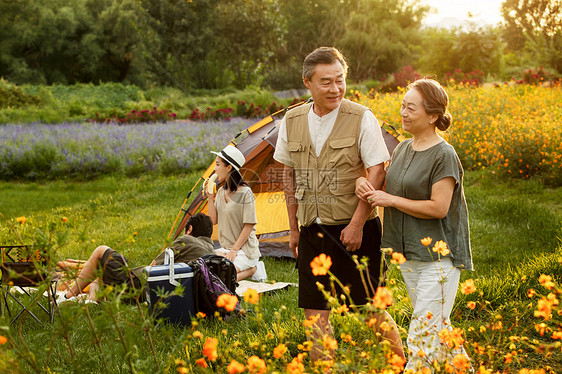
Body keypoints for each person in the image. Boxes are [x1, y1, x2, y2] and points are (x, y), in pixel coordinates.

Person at [273, 46, 405, 362]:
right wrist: (293, 228)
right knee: (314, 315)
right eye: (326, 82)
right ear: (307, 82)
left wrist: (358, 223)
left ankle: (400, 366)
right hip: (311, 232)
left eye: (340, 80)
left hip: (356, 229)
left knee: (371, 310)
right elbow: (287, 175)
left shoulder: (361, 117)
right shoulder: (291, 120)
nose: (335, 89)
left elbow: (377, 171)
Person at [356, 78, 473, 370]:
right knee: (438, 327)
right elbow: (384, 183)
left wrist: (390, 200)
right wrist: (363, 181)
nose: (403, 113)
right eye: (402, 106)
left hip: (439, 256)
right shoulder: (403, 149)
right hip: (409, 252)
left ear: (433, 115)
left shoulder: (443, 154)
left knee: (422, 332)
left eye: (411, 108)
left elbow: (438, 207)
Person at [56, 213, 215, 303]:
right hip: (163, 294)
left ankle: (66, 297)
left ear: (190, 229)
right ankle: (92, 302)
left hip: (141, 287)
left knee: (100, 251)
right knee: (100, 277)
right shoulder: (212, 254)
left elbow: (153, 266)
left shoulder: (187, 240)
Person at [206, 145, 264, 282]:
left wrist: (234, 251)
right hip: (225, 249)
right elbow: (212, 221)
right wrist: (210, 197)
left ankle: (253, 268)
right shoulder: (220, 192)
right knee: (205, 268)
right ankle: (247, 269)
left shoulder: (245, 193)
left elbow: (249, 226)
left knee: (223, 279)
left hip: (244, 251)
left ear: (229, 168)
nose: (214, 169)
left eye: (218, 164)